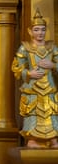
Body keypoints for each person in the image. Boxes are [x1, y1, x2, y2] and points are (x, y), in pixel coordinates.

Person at [11, 8, 58, 148]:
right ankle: (32, 139)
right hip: (32, 88)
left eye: (43, 29)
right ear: (30, 31)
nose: (40, 33)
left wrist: (53, 65)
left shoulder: (52, 48)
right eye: (36, 30)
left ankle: (53, 139)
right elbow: (16, 67)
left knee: (51, 112)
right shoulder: (25, 48)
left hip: (49, 87)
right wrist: (29, 74)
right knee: (33, 112)